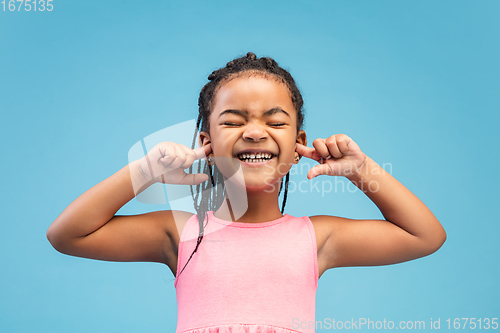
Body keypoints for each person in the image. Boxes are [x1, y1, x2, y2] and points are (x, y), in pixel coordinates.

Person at [46, 52, 446, 333]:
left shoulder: (317, 238)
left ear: (298, 144)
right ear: (206, 142)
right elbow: (67, 235)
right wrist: (145, 171)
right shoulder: (182, 234)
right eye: (234, 121)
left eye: (274, 121)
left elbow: (425, 236)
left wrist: (362, 170)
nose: (255, 131)